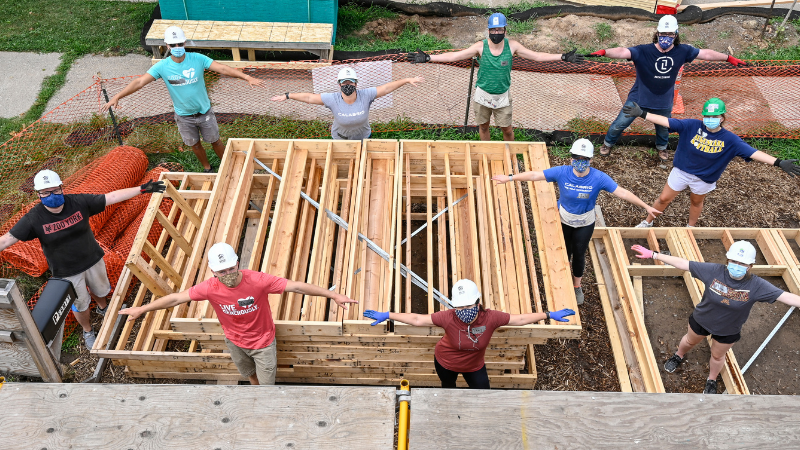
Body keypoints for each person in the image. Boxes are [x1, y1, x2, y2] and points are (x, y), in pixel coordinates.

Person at [119, 242, 357, 385]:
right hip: (234, 341)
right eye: (222, 271)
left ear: (238, 263)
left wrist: (332, 295)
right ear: (213, 272)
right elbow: (175, 298)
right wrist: (142, 308)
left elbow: (295, 286)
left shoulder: (258, 280)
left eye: (232, 268)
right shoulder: (210, 288)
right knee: (248, 374)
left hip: (263, 343)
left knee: (266, 384)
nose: (228, 274)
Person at [0, 170, 166, 349]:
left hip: (92, 259)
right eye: (45, 193)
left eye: (55, 190)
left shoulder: (77, 202)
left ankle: (103, 308)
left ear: (61, 188)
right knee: (80, 304)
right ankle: (88, 330)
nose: (51, 195)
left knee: (101, 289)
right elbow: (7, 239)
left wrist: (142, 189)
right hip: (67, 271)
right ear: (38, 194)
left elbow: (111, 197)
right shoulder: (34, 218)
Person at [492, 138, 661, 305]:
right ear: (571, 158)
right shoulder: (562, 172)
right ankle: (563, 278)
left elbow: (622, 192)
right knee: (565, 251)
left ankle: (576, 285)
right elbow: (536, 174)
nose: (580, 162)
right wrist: (510, 178)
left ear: (591, 160)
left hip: (584, 222)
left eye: (584, 159)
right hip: (565, 219)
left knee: (579, 254)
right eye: (577, 158)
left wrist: (645, 206)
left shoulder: (599, 178)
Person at [631, 241, 800, 394]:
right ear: (728, 261)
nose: (736, 266)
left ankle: (711, 379)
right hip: (701, 320)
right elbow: (684, 264)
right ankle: (678, 355)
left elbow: (786, 296)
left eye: (742, 263)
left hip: (727, 331)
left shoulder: (756, 285)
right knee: (689, 341)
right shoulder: (714, 271)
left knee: (718, 356)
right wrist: (654, 254)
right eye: (733, 261)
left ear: (750, 266)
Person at [102, 26, 266, 172]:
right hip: (184, 116)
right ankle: (207, 168)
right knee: (194, 144)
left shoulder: (198, 59)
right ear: (167, 46)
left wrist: (246, 77)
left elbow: (222, 68)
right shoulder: (162, 66)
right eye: (173, 45)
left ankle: (228, 164)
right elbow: (139, 82)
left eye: (180, 44)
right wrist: (118, 96)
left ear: (185, 43)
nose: (177, 47)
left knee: (215, 141)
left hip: (204, 112)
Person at [588, 15, 748, 161]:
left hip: (663, 101)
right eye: (663, 34)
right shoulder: (643, 51)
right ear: (657, 34)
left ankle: (662, 148)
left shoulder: (683, 51)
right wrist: (604, 52)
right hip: (638, 99)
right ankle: (607, 144)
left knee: (664, 129)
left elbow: (705, 54)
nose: (666, 38)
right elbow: (623, 51)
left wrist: (728, 58)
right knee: (619, 124)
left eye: (670, 34)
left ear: (676, 34)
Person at [364, 279, 575, 389]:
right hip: (445, 363)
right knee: (449, 389)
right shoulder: (448, 317)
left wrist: (548, 314)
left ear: (478, 302)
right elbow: (419, 319)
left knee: (483, 393)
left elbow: (518, 319)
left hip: (475, 366)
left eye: (469, 306)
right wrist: (389, 314)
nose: (464, 311)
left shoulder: (491, 318)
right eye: (460, 307)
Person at [407, 12, 584, 141]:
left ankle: (510, 155)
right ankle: (487, 154)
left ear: (505, 30)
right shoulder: (480, 47)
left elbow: (537, 56)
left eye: (500, 30)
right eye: (494, 30)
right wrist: (429, 58)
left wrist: (562, 56)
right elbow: (455, 56)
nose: (497, 33)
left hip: (502, 96)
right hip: (482, 95)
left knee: (506, 129)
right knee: (483, 127)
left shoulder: (512, 46)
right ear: (489, 31)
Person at [627, 97, 800, 228]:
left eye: (714, 116)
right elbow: (666, 121)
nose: (710, 119)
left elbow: (753, 152)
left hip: (704, 179)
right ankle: (647, 222)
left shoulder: (730, 140)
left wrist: (778, 162)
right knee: (664, 198)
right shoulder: (691, 126)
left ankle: (690, 227)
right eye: (707, 115)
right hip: (681, 172)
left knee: (696, 201)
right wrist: (642, 114)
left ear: (722, 118)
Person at [270, 67, 424, 140]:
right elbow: (310, 98)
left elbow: (385, 88)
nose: (347, 85)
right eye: (344, 83)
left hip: (364, 137)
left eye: (351, 82)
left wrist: (406, 80)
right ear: (339, 84)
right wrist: (288, 95)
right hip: (340, 138)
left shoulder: (366, 95)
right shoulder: (332, 99)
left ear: (356, 84)